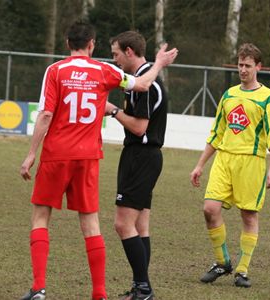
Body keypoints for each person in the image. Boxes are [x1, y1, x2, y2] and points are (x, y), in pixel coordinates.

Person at [19, 21, 177, 300]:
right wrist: (159, 64)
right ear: (91, 44)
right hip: (88, 157)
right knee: (91, 223)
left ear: (68, 44)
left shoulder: (55, 70)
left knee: (41, 217)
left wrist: (32, 153)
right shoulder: (105, 71)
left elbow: (45, 114)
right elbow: (141, 84)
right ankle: (99, 294)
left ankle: (39, 288)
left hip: (56, 154)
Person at [190, 43, 270, 288]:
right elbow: (216, 133)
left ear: (258, 67)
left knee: (248, 214)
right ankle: (222, 262)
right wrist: (200, 165)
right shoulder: (229, 95)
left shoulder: (269, 98)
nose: (243, 70)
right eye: (240, 65)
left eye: (248, 66)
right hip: (224, 159)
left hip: (251, 162)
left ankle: (242, 270)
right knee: (210, 209)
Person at [105, 31, 168, 300]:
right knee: (140, 226)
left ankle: (143, 288)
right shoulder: (139, 81)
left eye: (116, 54)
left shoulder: (147, 86)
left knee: (122, 224)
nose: (115, 59)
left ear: (129, 51)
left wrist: (113, 111)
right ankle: (141, 288)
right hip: (142, 156)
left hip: (141, 156)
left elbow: (140, 126)